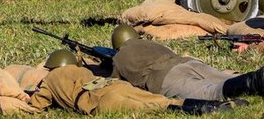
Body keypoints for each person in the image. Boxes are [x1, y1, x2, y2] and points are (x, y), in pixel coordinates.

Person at [28, 49, 241, 115]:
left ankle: (208, 109)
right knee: (161, 99)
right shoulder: (82, 70)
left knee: (157, 106)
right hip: (115, 85)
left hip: (99, 99)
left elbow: (37, 106)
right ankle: (224, 104)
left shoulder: (50, 79)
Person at [108, 24, 264, 101]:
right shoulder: (148, 42)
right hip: (187, 62)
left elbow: (114, 83)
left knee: (210, 93)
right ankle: (259, 78)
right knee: (221, 78)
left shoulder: (119, 57)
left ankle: (252, 82)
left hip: (165, 77)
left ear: (117, 45)